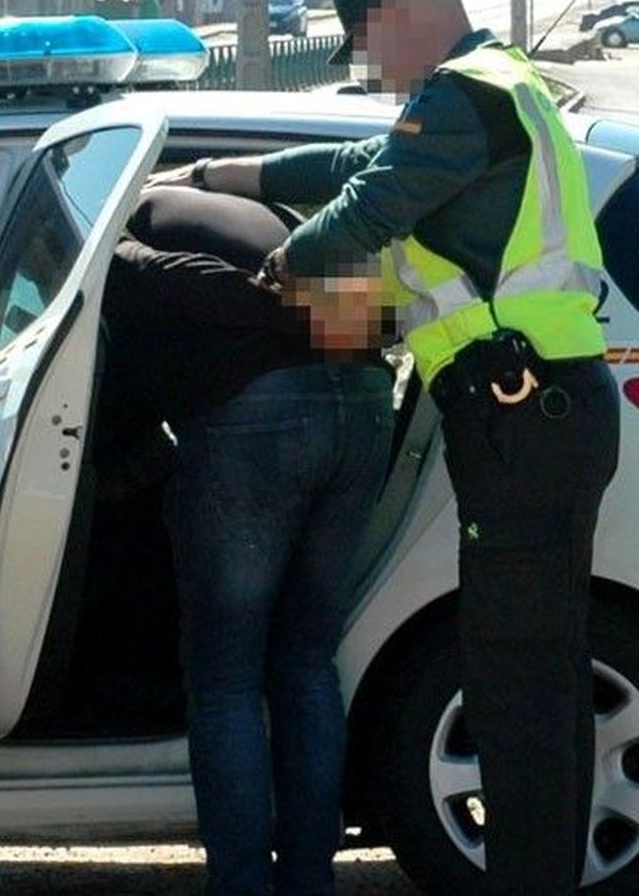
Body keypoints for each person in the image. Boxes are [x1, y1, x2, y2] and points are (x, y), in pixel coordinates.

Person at [154, 0, 620, 896]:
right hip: (541, 410)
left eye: (364, 45)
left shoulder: (463, 95)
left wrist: (274, 275)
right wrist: (224, 181)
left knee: (516, 694)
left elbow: (367, 204)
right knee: (538, 683)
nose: (368, 71)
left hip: (521, 414)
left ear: (402, 8)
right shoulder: (498, 87)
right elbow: (356, 160)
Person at [103, 188, 395, 896]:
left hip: (258, 416)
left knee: (227, 680)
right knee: (305, 664)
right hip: (360, 406)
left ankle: (239, 885)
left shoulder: (126, 229)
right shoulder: (264, 215)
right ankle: (308, 882)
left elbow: (143, 284)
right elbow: (377, 309)